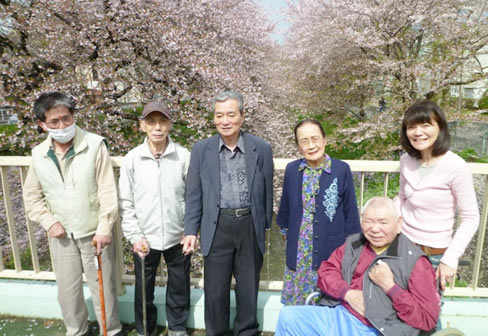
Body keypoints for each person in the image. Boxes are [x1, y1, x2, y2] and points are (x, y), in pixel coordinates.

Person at [22, 91, 122, 336]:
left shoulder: (95, 144)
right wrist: (49, 222)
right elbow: (31, 197)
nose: (62, 126)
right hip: (61, 234)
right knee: (67, 290)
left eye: (66, 119)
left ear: (73, 116)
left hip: (94, 232)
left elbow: (107, 190)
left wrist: (104, 228)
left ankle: (111, 331)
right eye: (54, 122)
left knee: (103, 288)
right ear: (42, 124)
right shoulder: (38, 155)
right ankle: (76, 331)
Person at [275, 197, 440, 336]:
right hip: (341, 315)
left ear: (398, 224)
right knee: (288, 317)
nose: (375, 229)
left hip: (381, 328)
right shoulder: (354, 243)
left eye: (383, 222)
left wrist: (391, 287)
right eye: (368, 221)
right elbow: (326, 272)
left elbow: (426, 319)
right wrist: (346, 293)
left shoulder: (416, 261)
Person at [182, 91, 273, 336]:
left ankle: (246, 332)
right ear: (214, 119)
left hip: (248, 224)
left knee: (248, 287)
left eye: (231, 115)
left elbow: (266, 190)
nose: (225, 121)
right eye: (219, 115)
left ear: (242, 116)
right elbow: (194, 194)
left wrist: (263, 225)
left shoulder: (261, 148)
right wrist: (191, 230)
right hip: (216, 224)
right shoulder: (202, 149)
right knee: (216, 290)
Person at [119, 101, 191, 336]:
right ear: (142, 126)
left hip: (177, 235)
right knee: (144, 289)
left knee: (179, 287)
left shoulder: (183, 156)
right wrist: (134, 236)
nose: (157, 127)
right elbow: (126, 202)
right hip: (144, 238)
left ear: (170, 124)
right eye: (151, 122)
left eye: (162, 121)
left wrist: (189, 229)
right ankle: (145, 330)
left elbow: (193, 197)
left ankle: (177, 327)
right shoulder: (132, 158)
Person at [397, 100, 479, 291]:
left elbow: (471, 217)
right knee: (399, 308)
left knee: (428, 315)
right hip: (403, 247)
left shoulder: (456, 167)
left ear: (440, 127)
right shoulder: (406, 161)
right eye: (412, 127)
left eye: (426, 125)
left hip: (435, 255)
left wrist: (450, 258)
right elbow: (402, 197)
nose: (418, 132)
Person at [277, 119, 360, 305]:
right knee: (297, 308)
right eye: (304, 141)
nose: (311, 145)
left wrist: (353, 248)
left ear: (325, 139)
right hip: (299, 251)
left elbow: (351, 213)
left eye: (315, 138)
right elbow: (285, 207)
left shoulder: (341, 170)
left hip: (330, 249)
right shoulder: (292, 170)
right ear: (298, 146)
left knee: (327, 303)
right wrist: (286, 233)